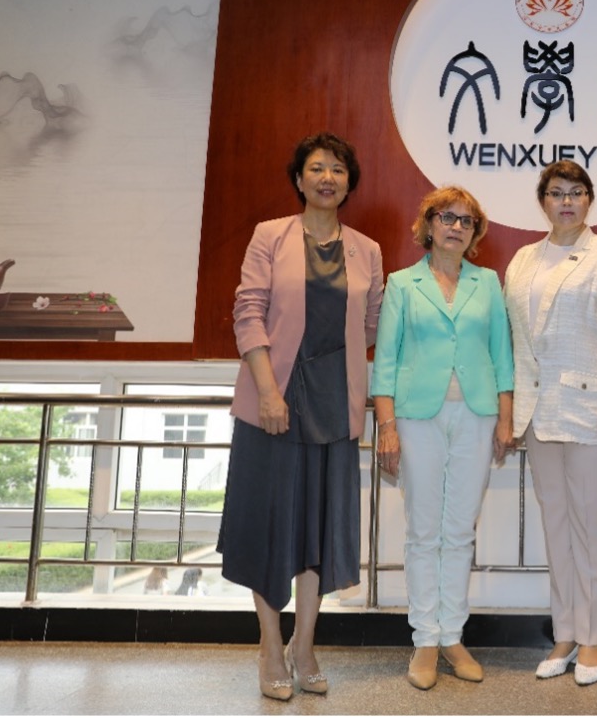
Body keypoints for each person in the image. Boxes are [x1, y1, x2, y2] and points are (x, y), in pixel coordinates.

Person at [219, 132, 384, 701]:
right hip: (276, 400)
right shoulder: (270, 235)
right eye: (316, 168)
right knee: (270, 528)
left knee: (319, 530)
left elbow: (371, 323)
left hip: (335, 402)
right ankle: (270, 645)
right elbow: (248, 313)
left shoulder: (367, 249)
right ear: (299, 179)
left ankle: (305, 644)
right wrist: (268, 391)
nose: (327, 177)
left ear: (349, 182)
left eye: (338, 168)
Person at [503, 160, 597, 686]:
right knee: (557, 528)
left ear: (589, 199)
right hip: (538, 412)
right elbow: (515, 341)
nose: (567, 201)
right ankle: (564, 633)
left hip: (591, 413)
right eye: (557, 192)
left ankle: (592, 638)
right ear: (543, 201)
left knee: (592, 528)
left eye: (577, 192)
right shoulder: (523, 259)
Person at [370, 186, 514, 691]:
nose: (456, 227)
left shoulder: (487, 282)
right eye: (446, 217)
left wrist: (505, 418)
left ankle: (452, 635)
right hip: (416, 417)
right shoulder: (402, 283)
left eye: (466, 220)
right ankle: (425, 640)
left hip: (476, 414)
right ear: (428, 224)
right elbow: (385, 360)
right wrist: (386, 426)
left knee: (459, 530)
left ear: (475, 232)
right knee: (423, 531)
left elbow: (502, 354)